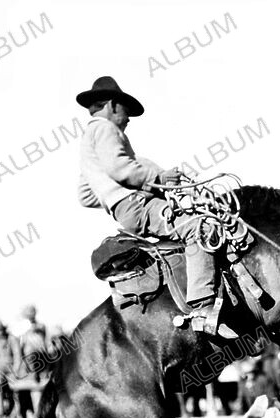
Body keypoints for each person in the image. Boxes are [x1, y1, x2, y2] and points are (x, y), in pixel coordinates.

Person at [76, 76, 237, 338]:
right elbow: (120, 169)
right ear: (113, 105)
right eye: (126, 111)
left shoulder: (88, 139)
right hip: (137, 207)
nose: (128, 119)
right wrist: (156, 180)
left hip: (124, 210)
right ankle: (202, 308)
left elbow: (85, 195)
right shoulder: (105, 129)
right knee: (200, 228)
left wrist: (113, 198)